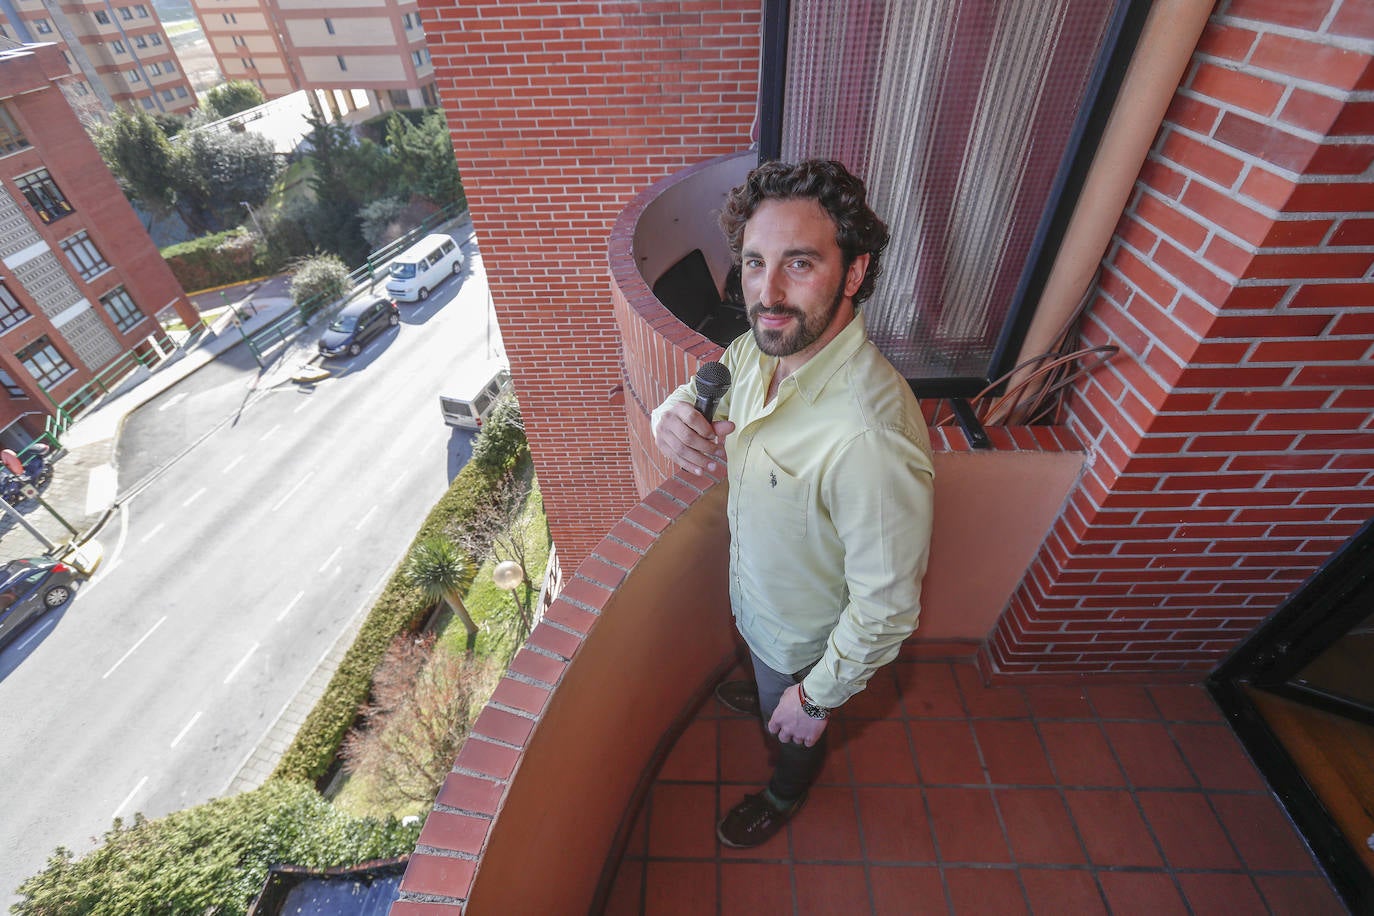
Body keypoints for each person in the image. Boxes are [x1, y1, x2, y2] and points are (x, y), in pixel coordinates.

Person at [651, 159, 935, 848]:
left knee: (792, 730)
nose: (767, 292)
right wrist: (671, 412)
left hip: (811, 645)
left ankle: (785, 790)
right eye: (754, 262)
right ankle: (767, 682)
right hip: (757, 603)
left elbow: (887, 607)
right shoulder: (758, 348)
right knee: (764, 667)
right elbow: (705, 386)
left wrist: (814, 699)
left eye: (799, 263)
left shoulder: (868, 436)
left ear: (855, 273)